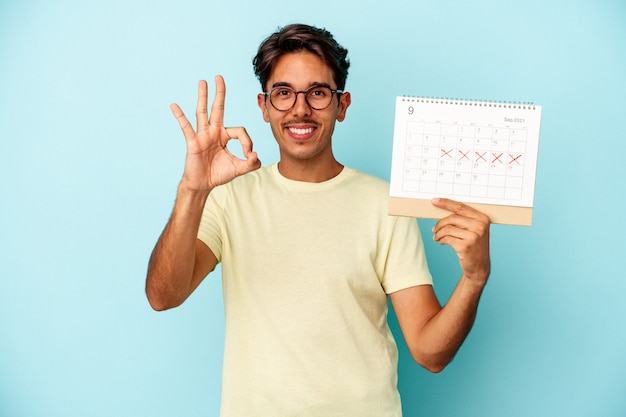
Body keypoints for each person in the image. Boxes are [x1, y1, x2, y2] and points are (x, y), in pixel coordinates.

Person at [146, 23, 491, 417]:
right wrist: (193, 190)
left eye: (318, 92)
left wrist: (474, 278)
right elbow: (164, 296)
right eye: (283, 93)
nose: (300, 108)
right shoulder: (229, 198)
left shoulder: (384, 203)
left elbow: (431, 353)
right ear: (263, 106)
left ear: (342, 106)